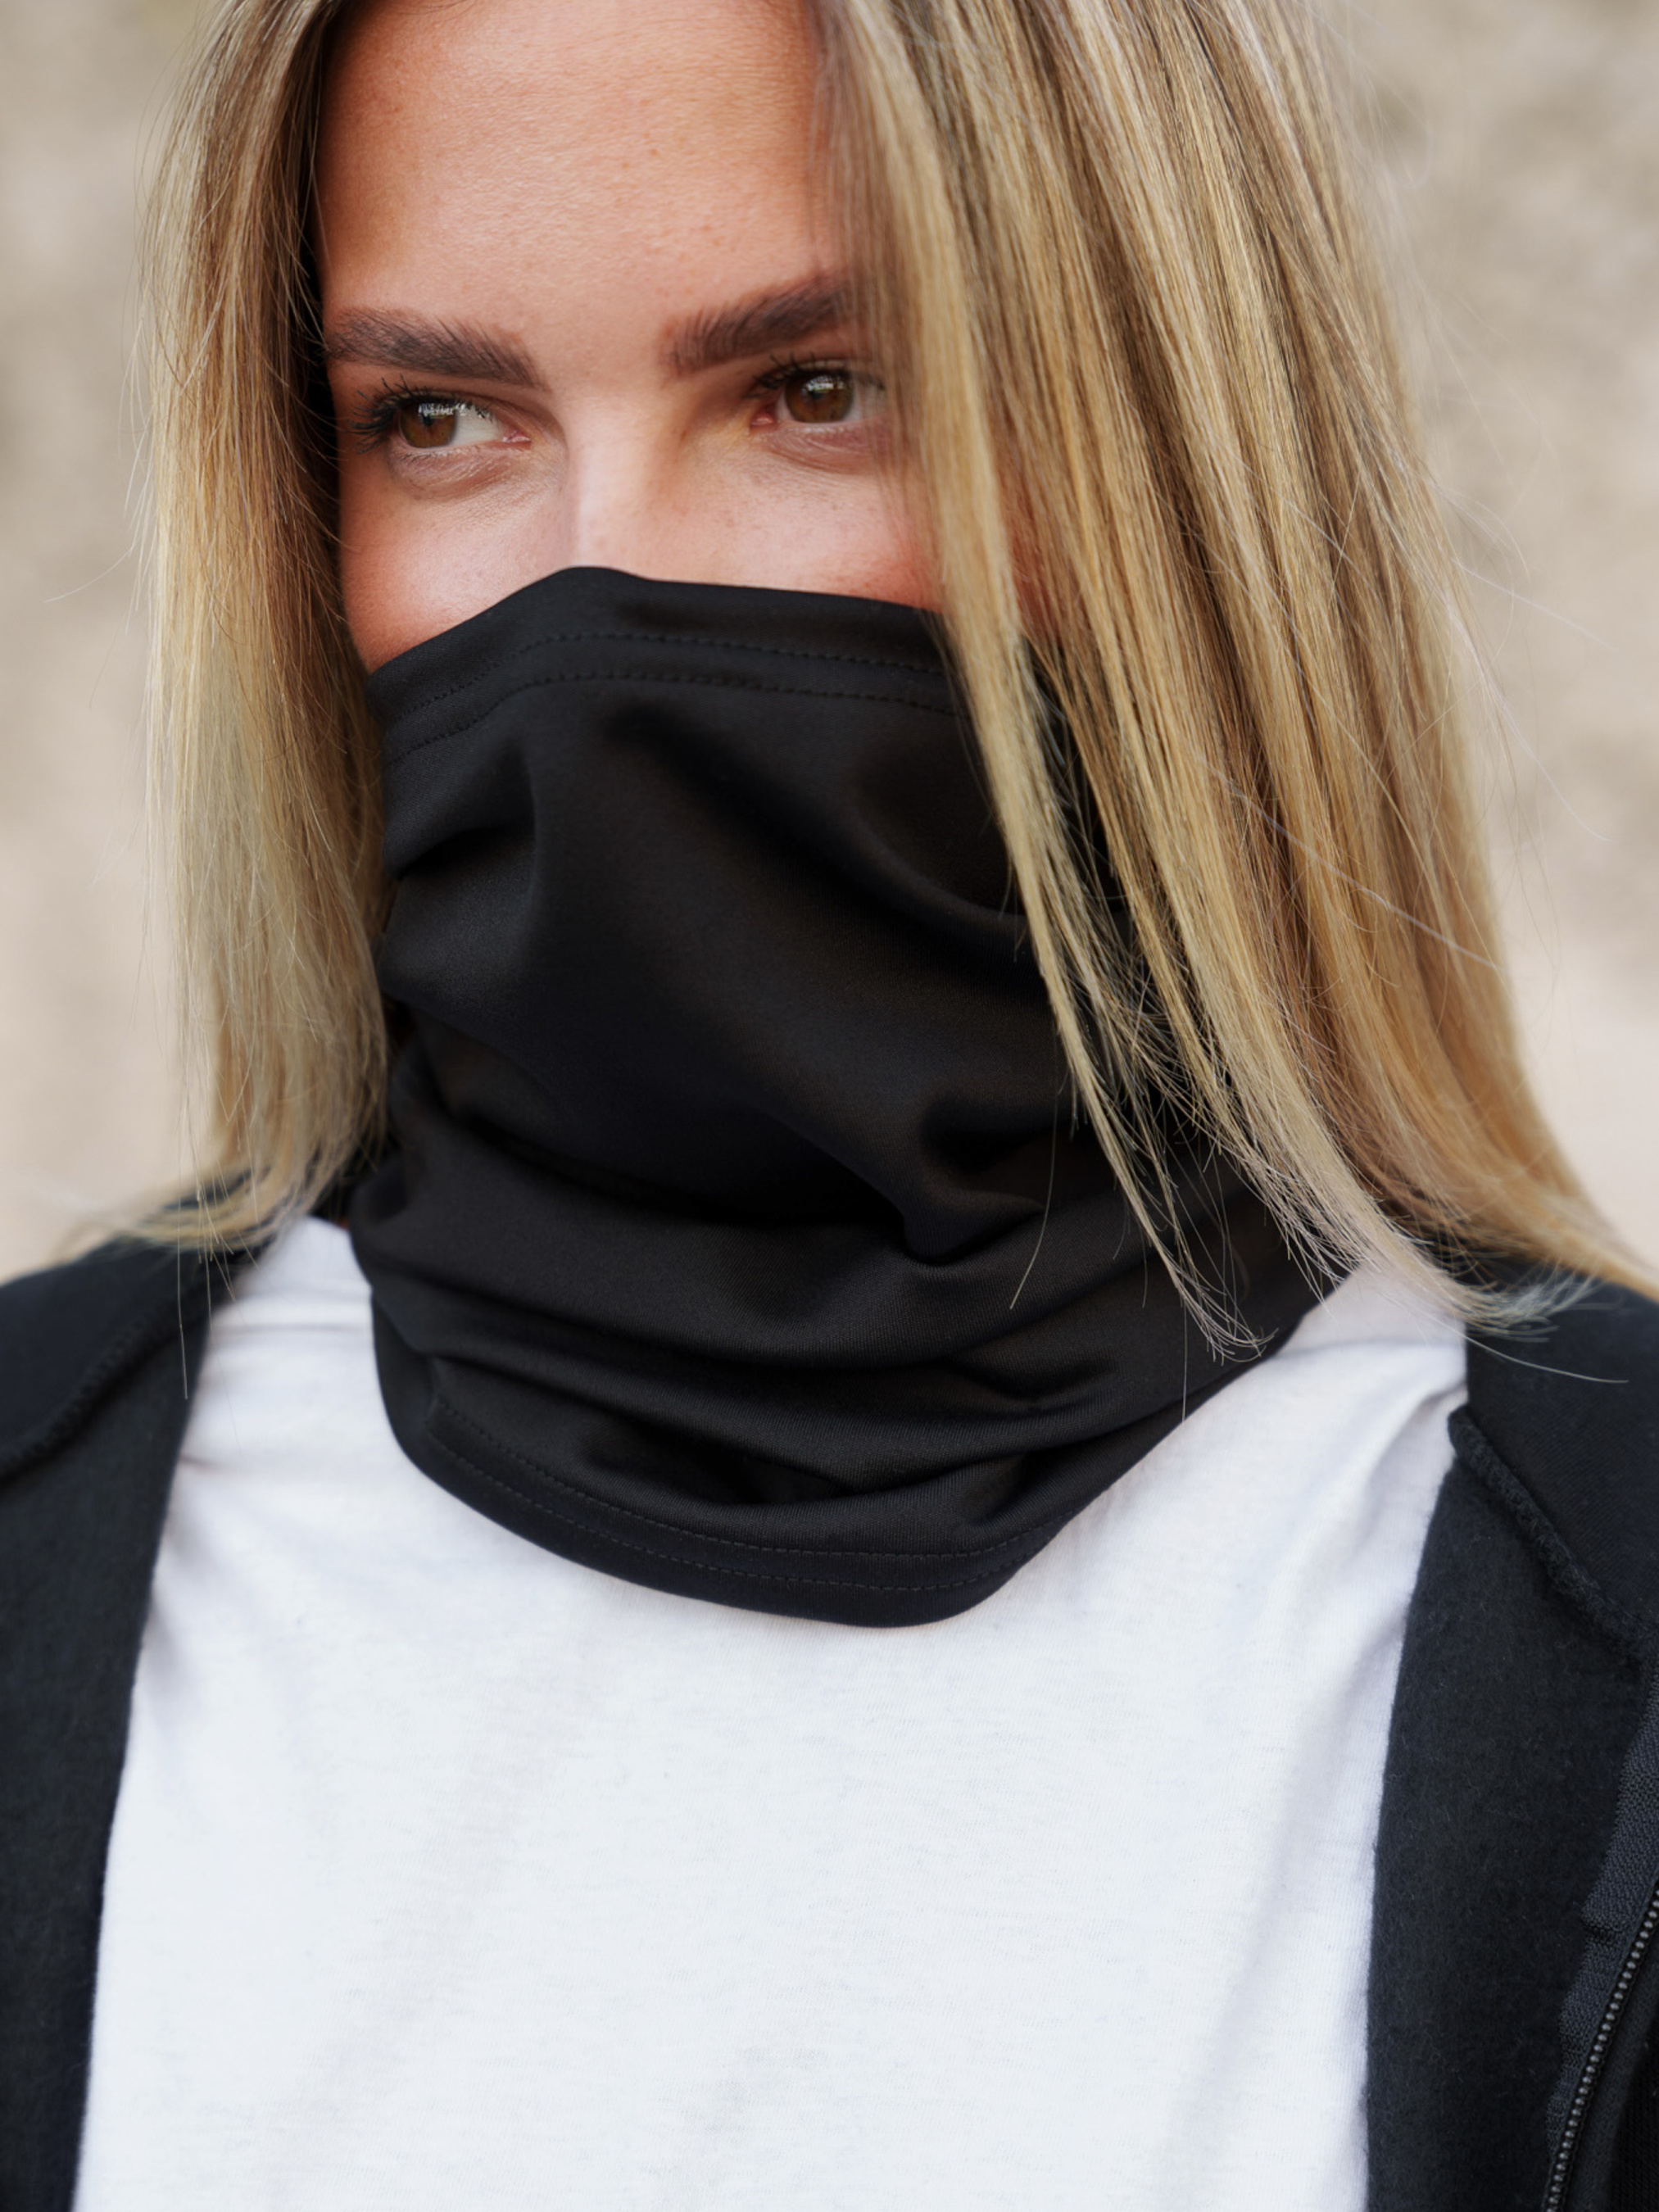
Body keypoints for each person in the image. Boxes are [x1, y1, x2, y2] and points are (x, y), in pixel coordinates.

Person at [2, 0, 1655, 2205]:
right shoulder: (43, 1522)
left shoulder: (1605, 1599)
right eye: (440, 418)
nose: (601, 586)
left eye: (816, 388)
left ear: (1181, 459)